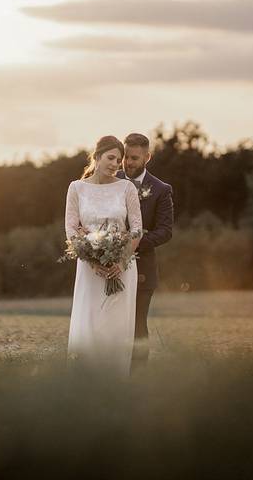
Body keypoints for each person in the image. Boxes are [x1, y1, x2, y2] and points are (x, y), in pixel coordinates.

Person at [65, 135, 143, 376]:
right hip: (90, 269)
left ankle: (116, 382)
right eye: (110, 158)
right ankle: (87, 383)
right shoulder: (76, 188)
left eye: (119, 160)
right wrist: (91, 260)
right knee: (90, 325)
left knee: (115, 327)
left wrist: (120, 261)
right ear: (97, 156)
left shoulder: (127, 187)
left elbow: (137, 228)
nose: (115, 164)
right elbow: (71, 228)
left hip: (122, 267)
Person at [117, 133, 174, 369]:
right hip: (110, 267)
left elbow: (165, 231)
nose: (128, 163)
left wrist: (132, 243)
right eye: (126, 157)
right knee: (113, 323)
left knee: (137, 324)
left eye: (134, 158)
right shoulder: (110, 180)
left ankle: (137, 378)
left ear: (147, 157)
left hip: (142, 268)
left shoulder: (161, 189)